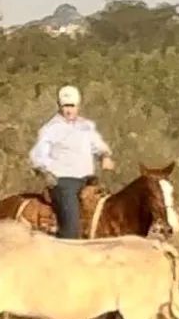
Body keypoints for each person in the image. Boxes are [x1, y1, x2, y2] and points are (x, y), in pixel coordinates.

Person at [28, 84, 115, 239]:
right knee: (72, 229)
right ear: (59, 106)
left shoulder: (86, 126)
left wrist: (105, 156)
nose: (69, 110)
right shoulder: (50, 128)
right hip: (63, 182)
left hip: (87, 181)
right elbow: (37, 154)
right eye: (65, 106)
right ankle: (66, 251)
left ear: (78, 106)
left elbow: (98, 145)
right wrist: (45, 171)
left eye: (72, 106)